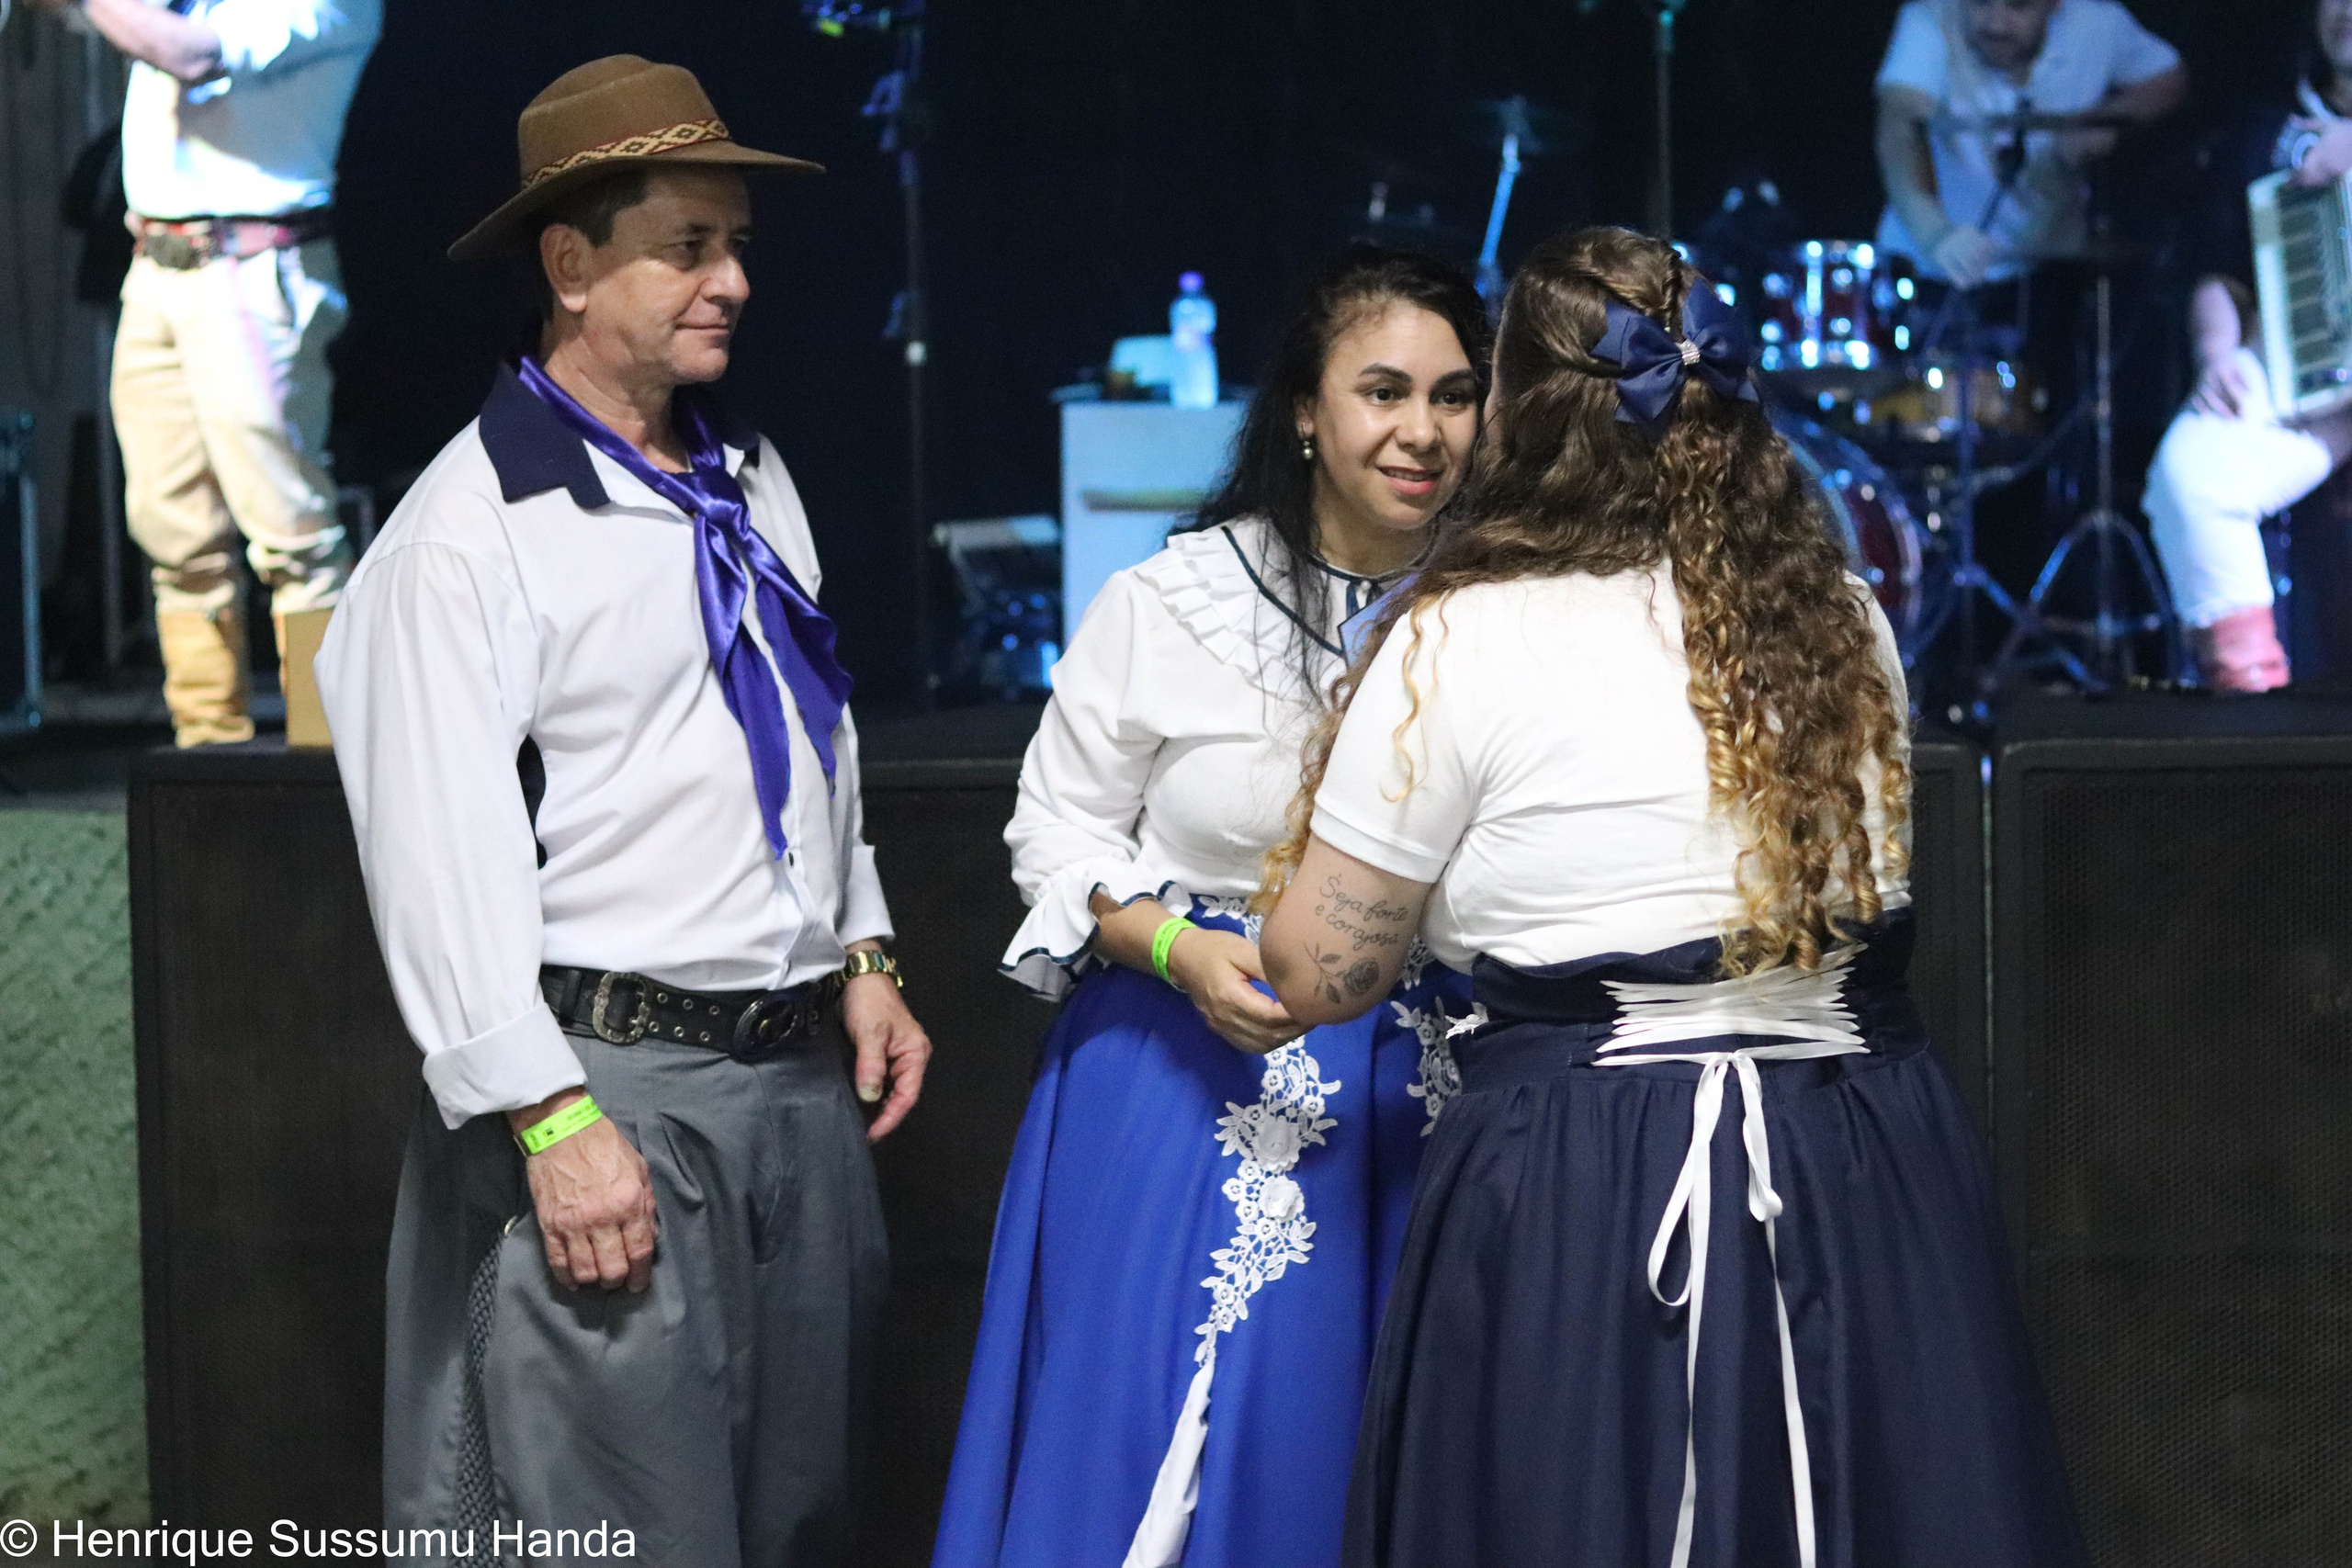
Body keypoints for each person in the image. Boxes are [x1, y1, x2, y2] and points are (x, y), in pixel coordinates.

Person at [1262, 227, 2085, 1568]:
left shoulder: (1459, 637)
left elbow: (1321, 974)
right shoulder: (1845, 616)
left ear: (1518, 414)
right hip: (1864, 1153)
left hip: (1590, 1171)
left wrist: (1188, 927)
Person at [314, 57, 932, 1565]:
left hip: (790, 1085)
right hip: (613, 1089)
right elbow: (433, 849)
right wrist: (550, 1112)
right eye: (688, 247)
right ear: (571, 265)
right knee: (619, 1528)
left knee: (800, 1518)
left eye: (736, 247)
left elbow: (803, 728)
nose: (730, 281)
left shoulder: (746, 477)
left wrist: (863, 948)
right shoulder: (466, 532)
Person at [932, 248, 1485, 1568]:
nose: (1424, 430)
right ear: (1304, 407)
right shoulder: (1173, 597)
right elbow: (1053, 827)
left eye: (1459, 396)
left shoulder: (1497, 613)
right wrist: (1169, 943)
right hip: (1185, 1079)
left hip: (1434, 1107)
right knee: (1172, 1464)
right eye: (1384, 390)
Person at [30, 0, 378, 745]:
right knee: (173, 533)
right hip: (154, 270)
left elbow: (189, 54)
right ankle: (206, 760)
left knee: (294, 537)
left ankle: (326, 767)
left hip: (253, 274)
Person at [2142, 0, 2352, 691]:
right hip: (2319, 383)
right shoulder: (2266, 134)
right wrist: (2219, 351)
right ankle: (2250, 708)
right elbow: (2222, 270)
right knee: (2191, 475)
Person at [1874, 0, 2185, 288]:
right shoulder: (1929, 17)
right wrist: (1937, 236)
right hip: (1930, 272)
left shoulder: (2099, 21)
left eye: (2018, 5)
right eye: (1981, 1)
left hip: (2049, 275)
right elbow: (1900, 124)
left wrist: (2099, 121)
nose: (1996, 24)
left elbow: (2168, 80)